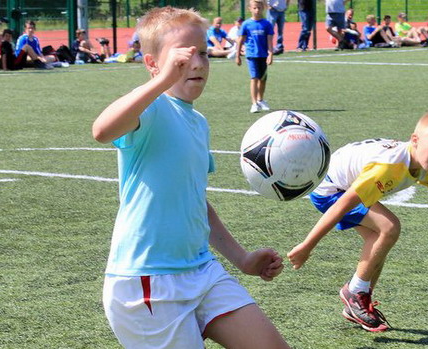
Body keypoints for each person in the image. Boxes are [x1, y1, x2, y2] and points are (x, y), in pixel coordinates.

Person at [91, 6, 288, 349]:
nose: (196, 63)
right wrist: (163, 81)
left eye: (203, 53)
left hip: (202, 271)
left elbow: (196, 201)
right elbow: (102, 130)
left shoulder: (198, 123)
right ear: (153, 64)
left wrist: (242, 259)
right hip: (147, 283)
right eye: (182, 58)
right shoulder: (150, 110)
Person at [287, 111, 428, 332]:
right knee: (389, 227)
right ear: (414, 140)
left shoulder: (426, 167)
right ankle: (354, 294)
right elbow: (341, 205)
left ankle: (358, 303)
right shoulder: (388, 168)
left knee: (379, 242)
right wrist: (308, 245)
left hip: (344, 182)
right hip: (331, 190)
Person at [236, 0, 275, 113]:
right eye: (254, 8)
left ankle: (260, 100)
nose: (257, 10)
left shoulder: (266, 24)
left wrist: (270, 54)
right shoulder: (246, 24)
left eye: (259, 8)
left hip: (263, 56)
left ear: (263, 8)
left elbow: (270, 41)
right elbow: (240, 41)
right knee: (254, 78)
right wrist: (237, 55)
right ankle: (254, 103)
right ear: (250, 9)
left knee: (263, 79)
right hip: (252, 55)